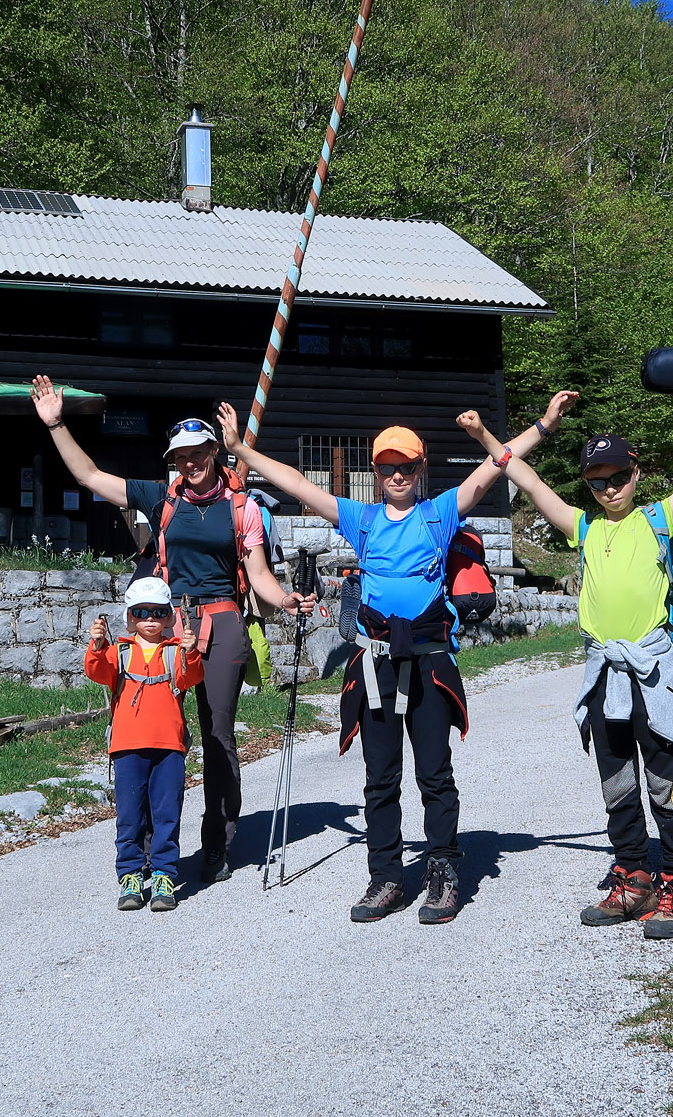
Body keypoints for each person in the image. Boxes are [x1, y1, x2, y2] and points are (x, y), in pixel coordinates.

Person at [216, 390, 577, 924]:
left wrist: (544, 424)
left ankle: (442, 872)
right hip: (375, 664)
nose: (397, 474)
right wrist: (241, 453)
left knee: (434, 773)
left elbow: (494, 468)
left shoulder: (440, 514)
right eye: (388, 466)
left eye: (405, 465)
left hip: (429, 660)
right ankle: (386, 877)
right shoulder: (360, 519)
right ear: (376, 470)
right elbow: (296, 483)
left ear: (419, 467)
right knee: (380, 779)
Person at [458, 372, 673, 939]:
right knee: (617, 779)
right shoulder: (584, 528)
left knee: (664, 776)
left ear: (635, 474)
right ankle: (632, 873)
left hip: (653, 671)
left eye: (619, 476)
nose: (609, 488)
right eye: (598, 481)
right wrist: (485, 436)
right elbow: (525, 479)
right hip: (605, 672)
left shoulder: (658, 519)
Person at [33, 376, 311, 884]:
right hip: (166, 624)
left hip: (224, 618)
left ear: (214, 451)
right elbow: (92, 476)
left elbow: (260, 577)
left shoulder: (243, 505)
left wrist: (286, 601)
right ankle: (145, 852)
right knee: (157, 736)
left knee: (218, 732)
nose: (189, 462)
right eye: (180, 456)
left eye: (198, 452)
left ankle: (217, 841)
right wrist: (56, 425)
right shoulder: (162, 498)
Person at [85, 576, 202, 913]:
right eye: (141, 612)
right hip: (127, 747)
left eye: (157, 612)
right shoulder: (118, 651)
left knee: (167, 814)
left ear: (169, 616)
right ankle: (130, 876)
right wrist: (95, 646)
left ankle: (165, 874)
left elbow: (191, 677)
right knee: (130, 816)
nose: (150, 618)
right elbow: (96, 671)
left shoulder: (176, 651)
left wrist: (192, 652)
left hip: (169, 747)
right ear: (130, 617)